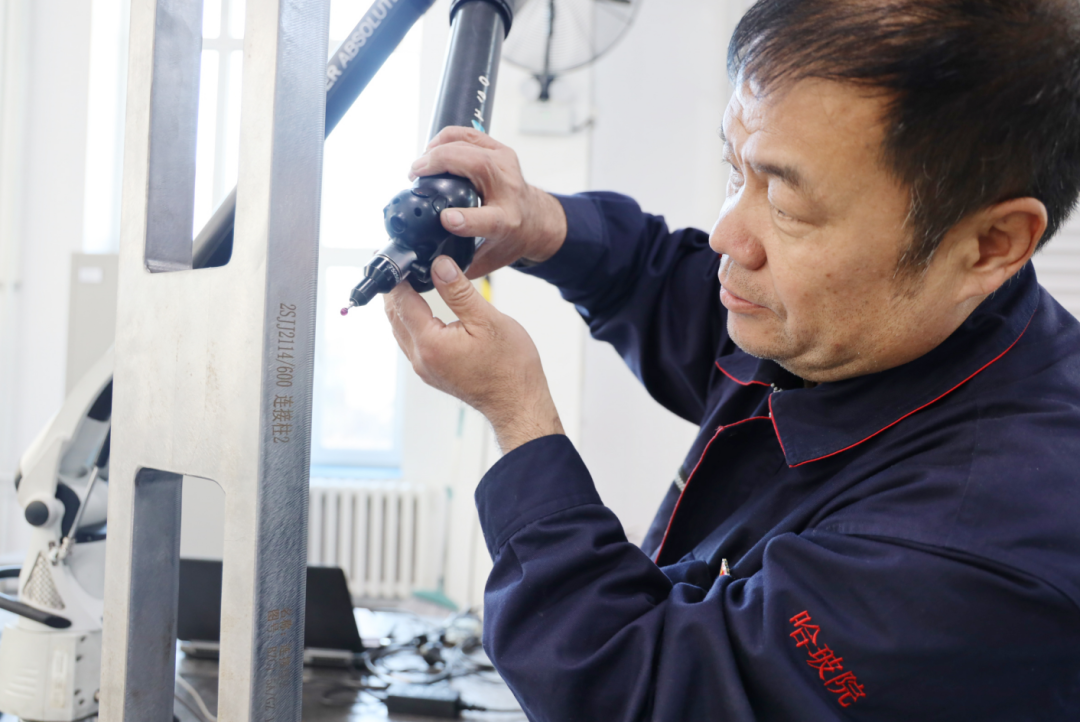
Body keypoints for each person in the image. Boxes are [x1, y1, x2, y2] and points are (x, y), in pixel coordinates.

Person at [384, 0, 1080, 719]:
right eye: (734, 170)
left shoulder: (978, 554)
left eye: (785, 204)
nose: (726, 235)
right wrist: (538, 222)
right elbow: (659, 283)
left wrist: (519, 417)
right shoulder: (871, 320)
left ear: (991, 244)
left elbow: (637, 692)